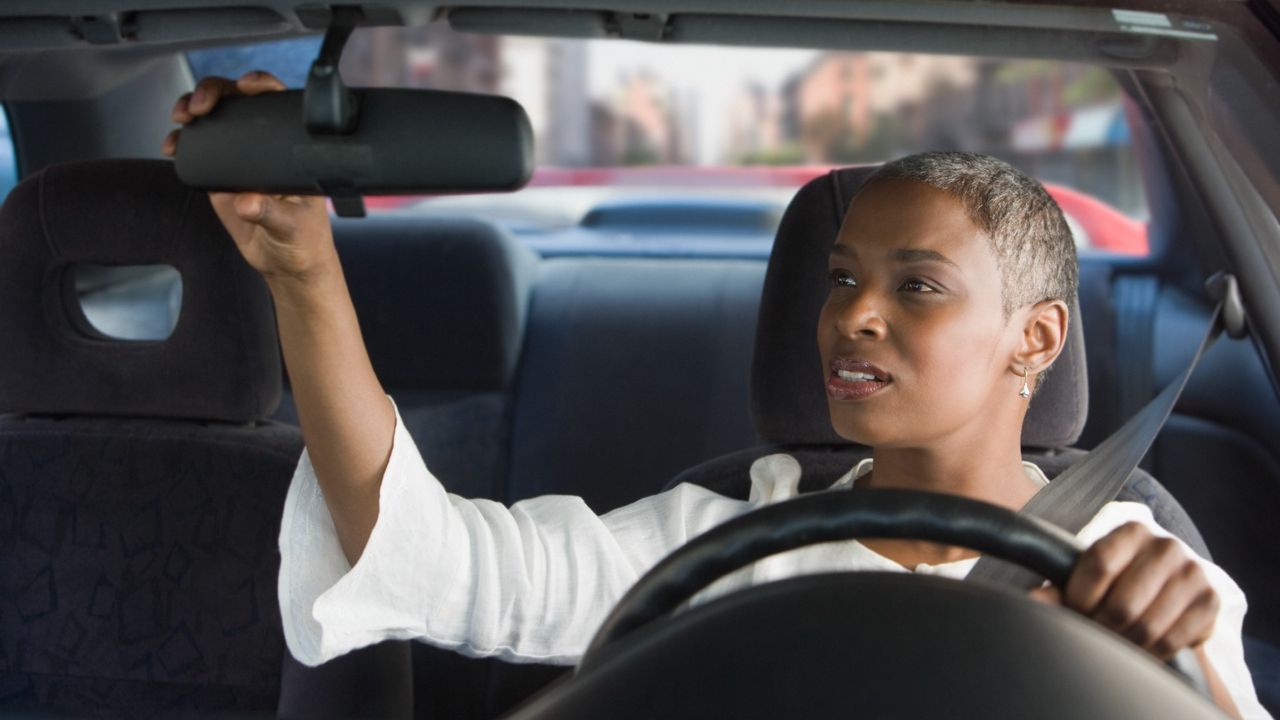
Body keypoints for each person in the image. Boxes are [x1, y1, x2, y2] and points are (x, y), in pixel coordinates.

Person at [165, 72, 1268, 718]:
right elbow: (433, 559)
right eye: (840, 280)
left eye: (915, 287)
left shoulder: (1136, 564)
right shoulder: (717, 545)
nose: (851, 316)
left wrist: (1164, 655)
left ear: (1033, 338)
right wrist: (303, 273)